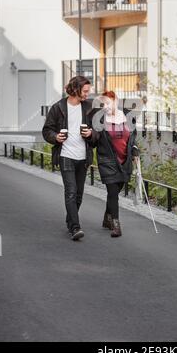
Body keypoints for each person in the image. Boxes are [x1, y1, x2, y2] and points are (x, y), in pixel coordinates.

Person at [42, 76, 94, 241]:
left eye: (88, 91)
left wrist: (92, 133)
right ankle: (75, 227)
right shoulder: (58, 107)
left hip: (83, 157)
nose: (87, 94)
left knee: (78, 194)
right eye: (85, 91)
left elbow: (98, 132)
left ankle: (70, 219)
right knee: (71, 192)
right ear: (76, 89)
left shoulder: (89, 107)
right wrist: (56, 137)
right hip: (65, 155)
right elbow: (46, 130)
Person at [90, 91, 140, 238]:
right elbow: (94, 140)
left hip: (124, 160)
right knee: (113, 192)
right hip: (107, 161)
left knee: (116, 190)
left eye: (107, 103)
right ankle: (116, 225)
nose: (105, 107)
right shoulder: (99, 120)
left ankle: (107, 217)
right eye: (102, 104)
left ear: (115, 101)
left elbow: (132, 138)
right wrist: (89, 135)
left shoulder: (128, 117)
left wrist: (135, 150)